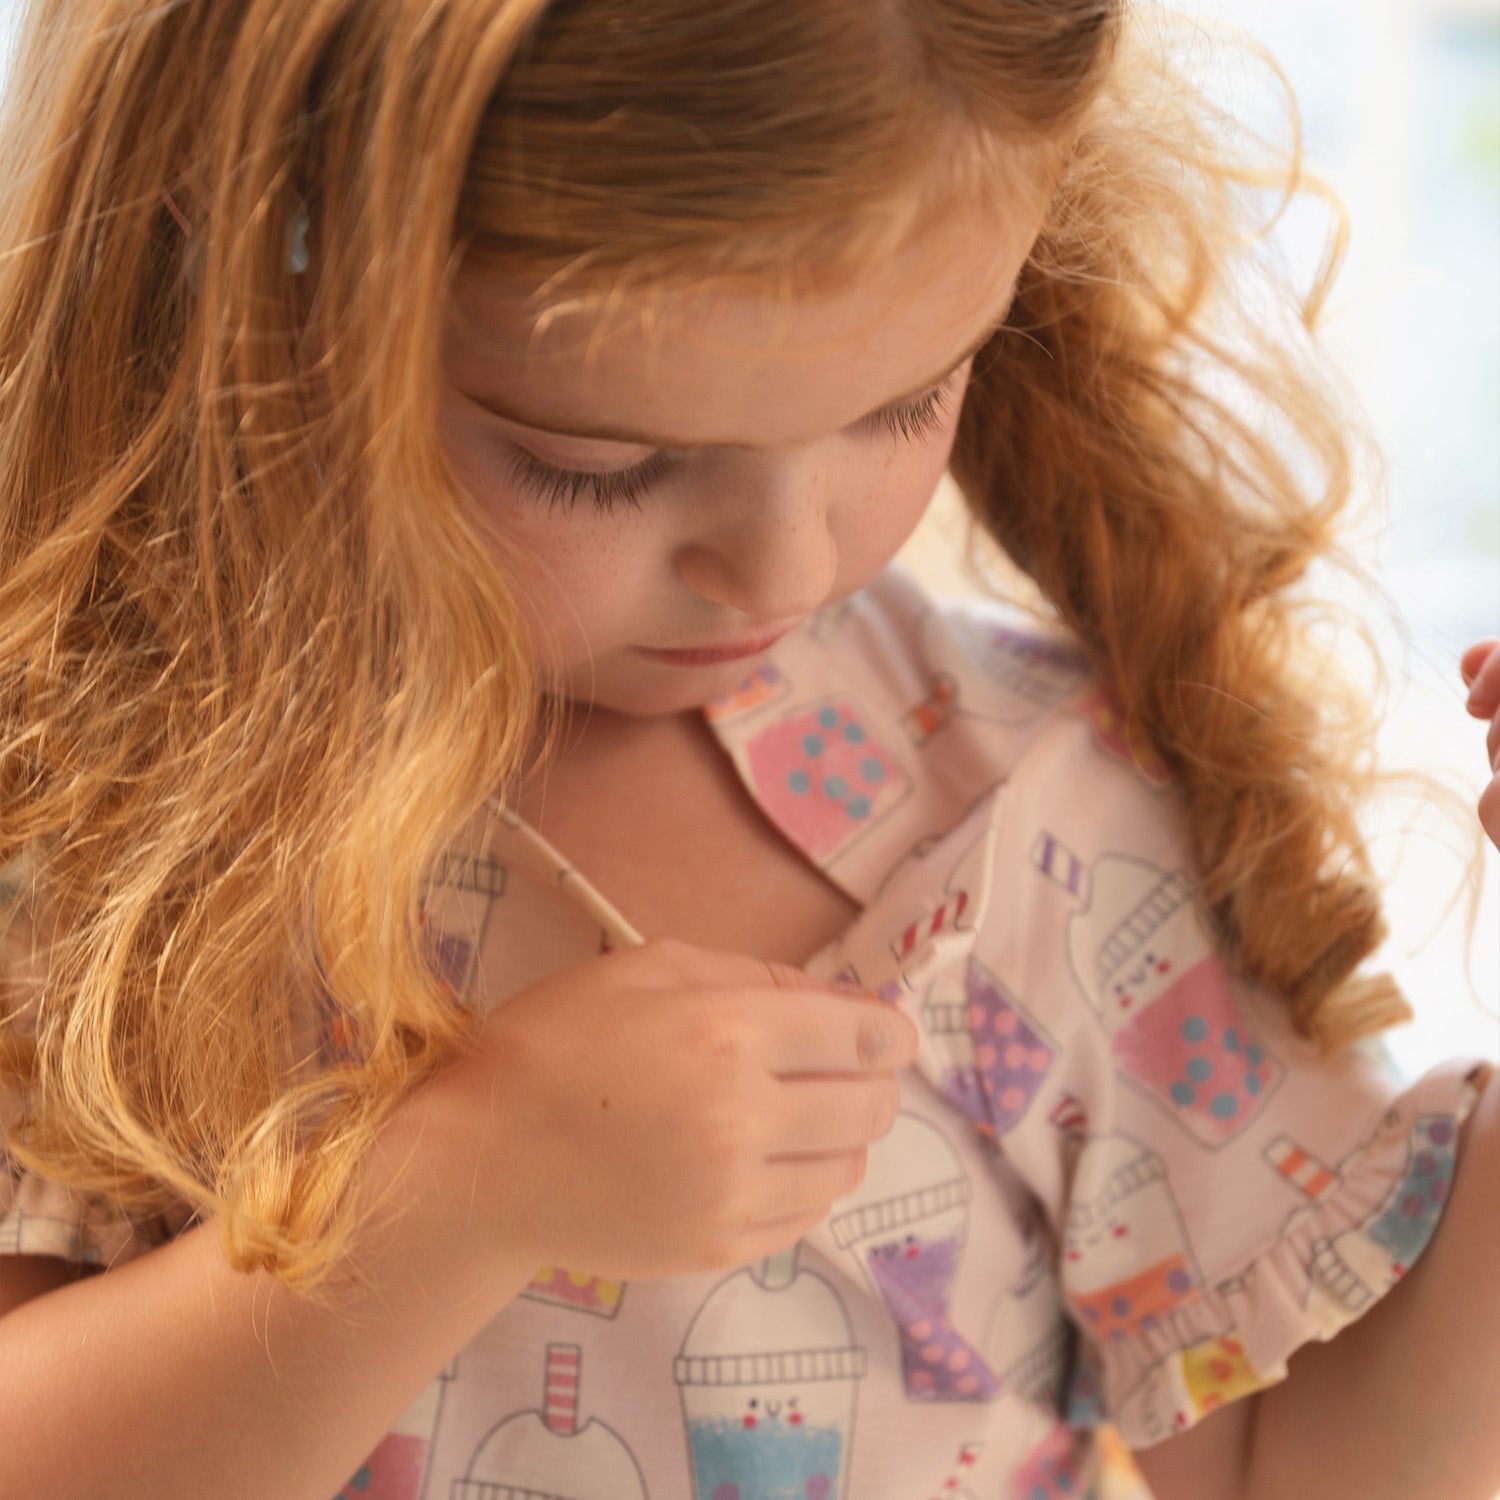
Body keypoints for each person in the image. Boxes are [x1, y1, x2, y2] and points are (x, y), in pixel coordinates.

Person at [0, 2, 1496, 1497]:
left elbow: (1317, 1468)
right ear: (263, 285)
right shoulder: (95, 815)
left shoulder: (1035, 815)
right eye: (600, 466)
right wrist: (458, 1194)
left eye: (907, 398)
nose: (784, 573)